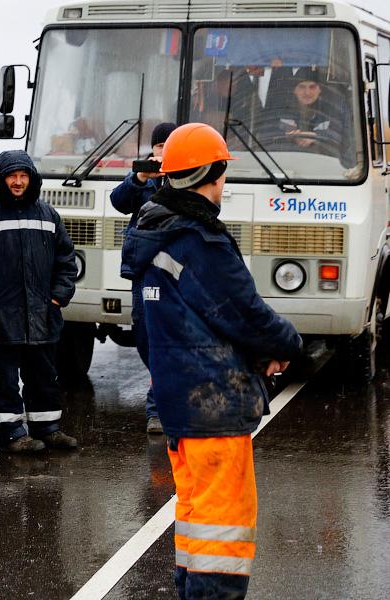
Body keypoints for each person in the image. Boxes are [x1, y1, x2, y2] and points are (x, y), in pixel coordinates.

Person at [120, 123, 301, 599]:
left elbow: (147, 330)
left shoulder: (151, 233)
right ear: (210, 174)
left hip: (181, 404)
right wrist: (287, 343)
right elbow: (245, 313)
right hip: (215, 409)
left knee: (198, 522)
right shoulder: (200, 240)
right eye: (222, 175)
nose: (224, 186)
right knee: (224, 531)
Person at [0, 150, 79, 453]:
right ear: (0, 179)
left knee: (44, 376)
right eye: (12, 176)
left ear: (31, 178)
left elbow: (66, 261)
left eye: (24, 176)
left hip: (43, 315)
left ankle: (47, 429)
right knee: (2, 380)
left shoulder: (48, 216)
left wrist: (57, 299)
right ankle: (12, 435)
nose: (18, 182)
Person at [110, 122, 176, 434]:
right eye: (159, 146)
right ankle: (162, 389)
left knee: (174, 332)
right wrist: (140, 177)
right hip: (145, 267)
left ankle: (159, 406)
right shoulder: (143, 175)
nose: (163, 152)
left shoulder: (186, 174)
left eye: (169, 146)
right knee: (145, 329)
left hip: (177, 266)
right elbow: (119, 201)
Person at [261, 67, 353, 165]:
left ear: (319, 90)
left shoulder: (332, 110)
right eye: (302, 87)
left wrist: (316, 137)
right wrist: (288, 136)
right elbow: (264, 133)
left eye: (312, 87)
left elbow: (344, 136)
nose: (307, 92)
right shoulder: (281, 109)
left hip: (323, 167)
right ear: (294, 90)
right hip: (285, 166)